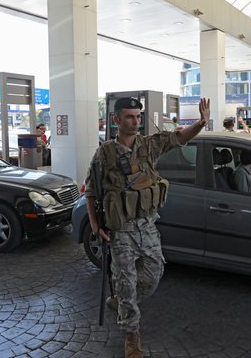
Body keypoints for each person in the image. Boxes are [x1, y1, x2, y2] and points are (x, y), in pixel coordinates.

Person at [85, 96, 210, 357]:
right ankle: (131, 334)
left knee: (153, 276)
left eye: (138, 116)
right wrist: (96, 226)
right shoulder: (104, 154)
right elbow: (91, 193)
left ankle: (120, 299)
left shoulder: (149, 145)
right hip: (120, 231)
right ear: (116, 119)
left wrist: (201, 122)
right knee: (127, 283)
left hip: (147, 226)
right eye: (129, 116)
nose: (135, 121)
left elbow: (179, 138)